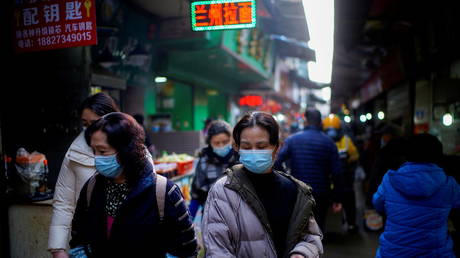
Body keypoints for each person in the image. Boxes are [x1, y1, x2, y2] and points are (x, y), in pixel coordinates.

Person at [70, 112, 197, 257]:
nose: (96, 158)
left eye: (102, 151)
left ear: (126, 150)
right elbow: (78, 238)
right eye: (94, 151)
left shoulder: (163, 191)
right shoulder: (92, 187)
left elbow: (186, 248)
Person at [202, 111, 323, 258]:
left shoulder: (294, 190)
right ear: (238, 148)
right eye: (246, 147)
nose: (253, 152)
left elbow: (310, 238)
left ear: (276, 148)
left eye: (261, 146)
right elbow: (217, 250)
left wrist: (301, 253)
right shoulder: (223, 191)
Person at [48, 92, 119, 257]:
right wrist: (57, 249)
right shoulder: (75, 151)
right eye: (85, 123)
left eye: (95, 123)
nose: (89, 130)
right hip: (88, 244)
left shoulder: (133, 149)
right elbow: (63, 203)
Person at [373, 133, 460, 257]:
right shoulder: (449, 185)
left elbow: (377, 203)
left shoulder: (390, 179)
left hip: (392, 253)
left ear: (407, 154)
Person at [274, 108, 343, 233]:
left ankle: (300, 251)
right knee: (318, 227)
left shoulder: (293, 140)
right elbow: (337, 172)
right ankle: (316, 250)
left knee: (298, 227)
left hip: (299, 191)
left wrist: (286, 179)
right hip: (322, 193)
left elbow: (276, 161)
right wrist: (337, 198)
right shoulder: (329, 142)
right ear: (320, 122)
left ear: (305, 121)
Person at [189, 120, 239, 220]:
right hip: (212, 216)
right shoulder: (204, 161)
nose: (221, 146)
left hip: (238, 216)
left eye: (225, 142)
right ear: (210, 143)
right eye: (216, 143)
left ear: (231, 140)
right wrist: (189, 221)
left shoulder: (239, 158)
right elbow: (196, 194)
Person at [323, 114, 360, 233]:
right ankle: (351, 224)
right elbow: (355, 156)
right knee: (349, 200)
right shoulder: (346, 141)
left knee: (348, 200)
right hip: (341, 178)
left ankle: (350, 223)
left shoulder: (325, 141)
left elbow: (355, 156)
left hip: (335, 179)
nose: (331, 132)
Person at [365, 123, 407, 208]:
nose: (382, 138)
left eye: (384, 135)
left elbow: (376, 177)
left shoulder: (385, 153)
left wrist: (369, 200)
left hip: (386, 200)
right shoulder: (409, 151)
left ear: (390, 136)